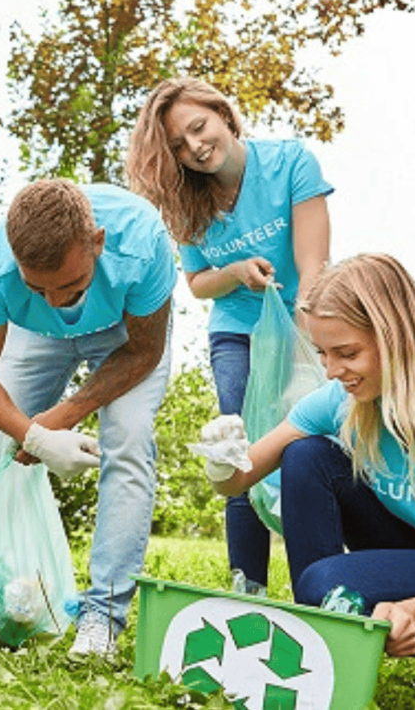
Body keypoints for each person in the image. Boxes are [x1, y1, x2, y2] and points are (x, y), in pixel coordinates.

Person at [203, 254, 415, 704]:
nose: (331, 371)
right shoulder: (342, 398)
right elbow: (239, 480)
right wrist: (221, 459)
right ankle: (335, 641)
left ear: (397, 337)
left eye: (347, 353)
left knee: (328, 588)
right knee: (305, 455)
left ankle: (331, 623)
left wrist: (412, 613)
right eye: (323, 354)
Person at [127, 76, 332, 596]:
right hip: (237, 333)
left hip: (305, 322)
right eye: (179, 144)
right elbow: (197, 283)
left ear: (223, 114)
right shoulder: (188, 205)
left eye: (199, 127)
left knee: (310, 444)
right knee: (238, 445)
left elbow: (314, 268)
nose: (195, 147)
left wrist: (304, 359)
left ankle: (323, 583)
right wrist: (237, 270)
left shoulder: (291, 164)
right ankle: (249, 585)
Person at [0, 178, 175, 657]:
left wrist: (59, 418)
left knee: (130, 441)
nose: (56, 301)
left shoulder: (142, 243)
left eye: (71, 285)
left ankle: (102, 617)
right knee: (3, 446)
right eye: (39, 288)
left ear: (97, 243)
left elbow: (145, 353)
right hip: (36, 338)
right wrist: (31, 435)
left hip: (123, 333)